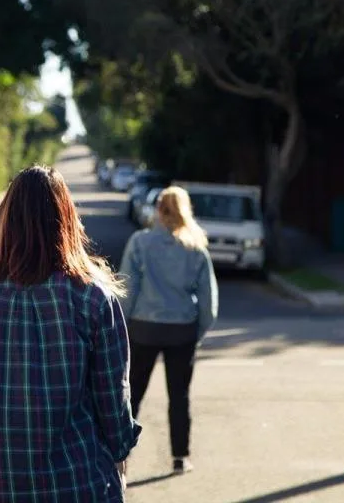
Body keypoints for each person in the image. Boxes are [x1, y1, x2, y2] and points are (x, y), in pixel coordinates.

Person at [0, 166, 141, 503]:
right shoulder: (93, 298)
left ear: (5, 220)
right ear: (66, 221)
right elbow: (114, 411)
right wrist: (120, 475)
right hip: (78, 488)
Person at [118, 185, 218, 475]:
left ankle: (122, 455)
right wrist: (197, 331)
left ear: (158, 209)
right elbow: (208, 300)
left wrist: (125, 325)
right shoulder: (195, 247)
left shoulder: (140, 242)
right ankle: (180, 457)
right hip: (181, 330)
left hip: (143, 329)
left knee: (132, 394)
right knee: (179, 396)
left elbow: (128, 287)